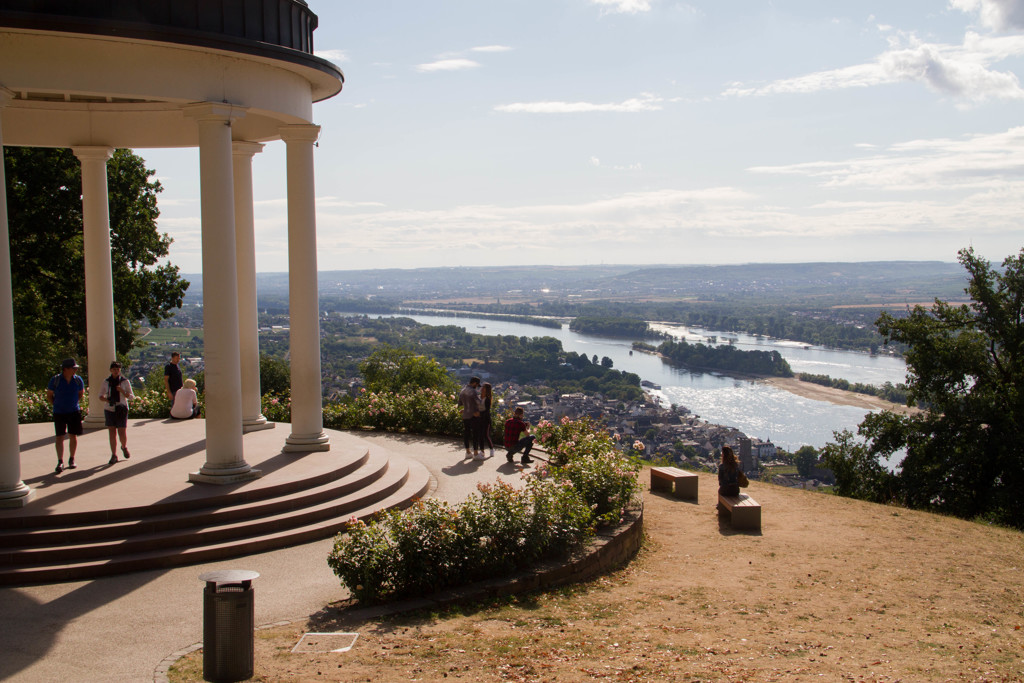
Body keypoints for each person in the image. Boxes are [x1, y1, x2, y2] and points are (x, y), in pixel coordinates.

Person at [46, 358, 85, 473]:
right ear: (66, 369)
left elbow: (80, 393)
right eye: (73, 368)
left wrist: (73, 403)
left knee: (73, 435)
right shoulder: (55, 380)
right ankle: (60, 461)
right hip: (59, 412)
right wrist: (56, 404)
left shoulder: (78, 380)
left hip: (73, 411)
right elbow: (49, 395)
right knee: (60, 437)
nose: (75, 370)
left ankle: (72, 459)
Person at [100, 361, 135, 465]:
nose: (116, 371)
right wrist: (107, 400)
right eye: (114, 369)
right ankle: (114, 454)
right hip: (109, 409)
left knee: (121, 431)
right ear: (111, 370)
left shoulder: (124, 381)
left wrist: (122, 391)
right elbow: (100, 395)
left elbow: (131, 397)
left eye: (118, 369)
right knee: (111, 432)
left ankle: (124, 446)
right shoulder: (106, 382)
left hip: (121, 408)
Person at [457, 376, 485, 460]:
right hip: (473, 415)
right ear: (474, 383)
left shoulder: (462, 391)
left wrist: (465, 409)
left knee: (467, 433)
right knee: (475, 434)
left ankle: (468, 452)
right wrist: (479, 411)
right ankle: (476, 453)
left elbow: (460, 403)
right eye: (477, 385)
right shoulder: (473, 391)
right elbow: (479, 403)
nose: (477, 386)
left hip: (465, 415)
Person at [479, 382, 495, 458]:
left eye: (484, 387)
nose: (482, 388)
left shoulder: (487, 399)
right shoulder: (479, 397)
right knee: (480, 435)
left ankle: (491, 449)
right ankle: (482, 451)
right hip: (479, 419)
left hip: (486, 419)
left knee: (486, 435)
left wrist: (479, 413)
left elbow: (486, 411)